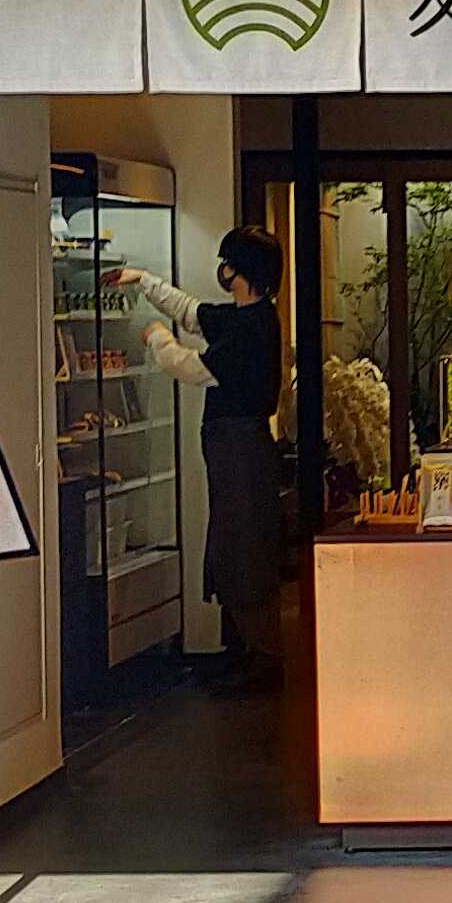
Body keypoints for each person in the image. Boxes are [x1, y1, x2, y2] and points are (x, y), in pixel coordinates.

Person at [122, 223, 287, 690]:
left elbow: (192, 367)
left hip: (239, 450)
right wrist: (143, 280)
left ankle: (261, 657)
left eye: (227, 262)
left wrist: (157, 337)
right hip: (240, 447)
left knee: (241, 547)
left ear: (239, 269)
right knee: (237, 542)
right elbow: (192, 313)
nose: (222, 270)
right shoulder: (252, 316)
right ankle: (245, 651)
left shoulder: (252, 328)